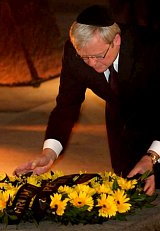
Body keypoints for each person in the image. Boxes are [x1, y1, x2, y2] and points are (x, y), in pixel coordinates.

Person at [14, 4, 160, 195]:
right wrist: (49, 153)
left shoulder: (150, 49)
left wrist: (152, 156)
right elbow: (67, 105)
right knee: (130, 189)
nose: (92, 64)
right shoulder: (74, 54)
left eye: (98, 56)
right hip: (122, 121)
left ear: (116, 40)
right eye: (85, 58)